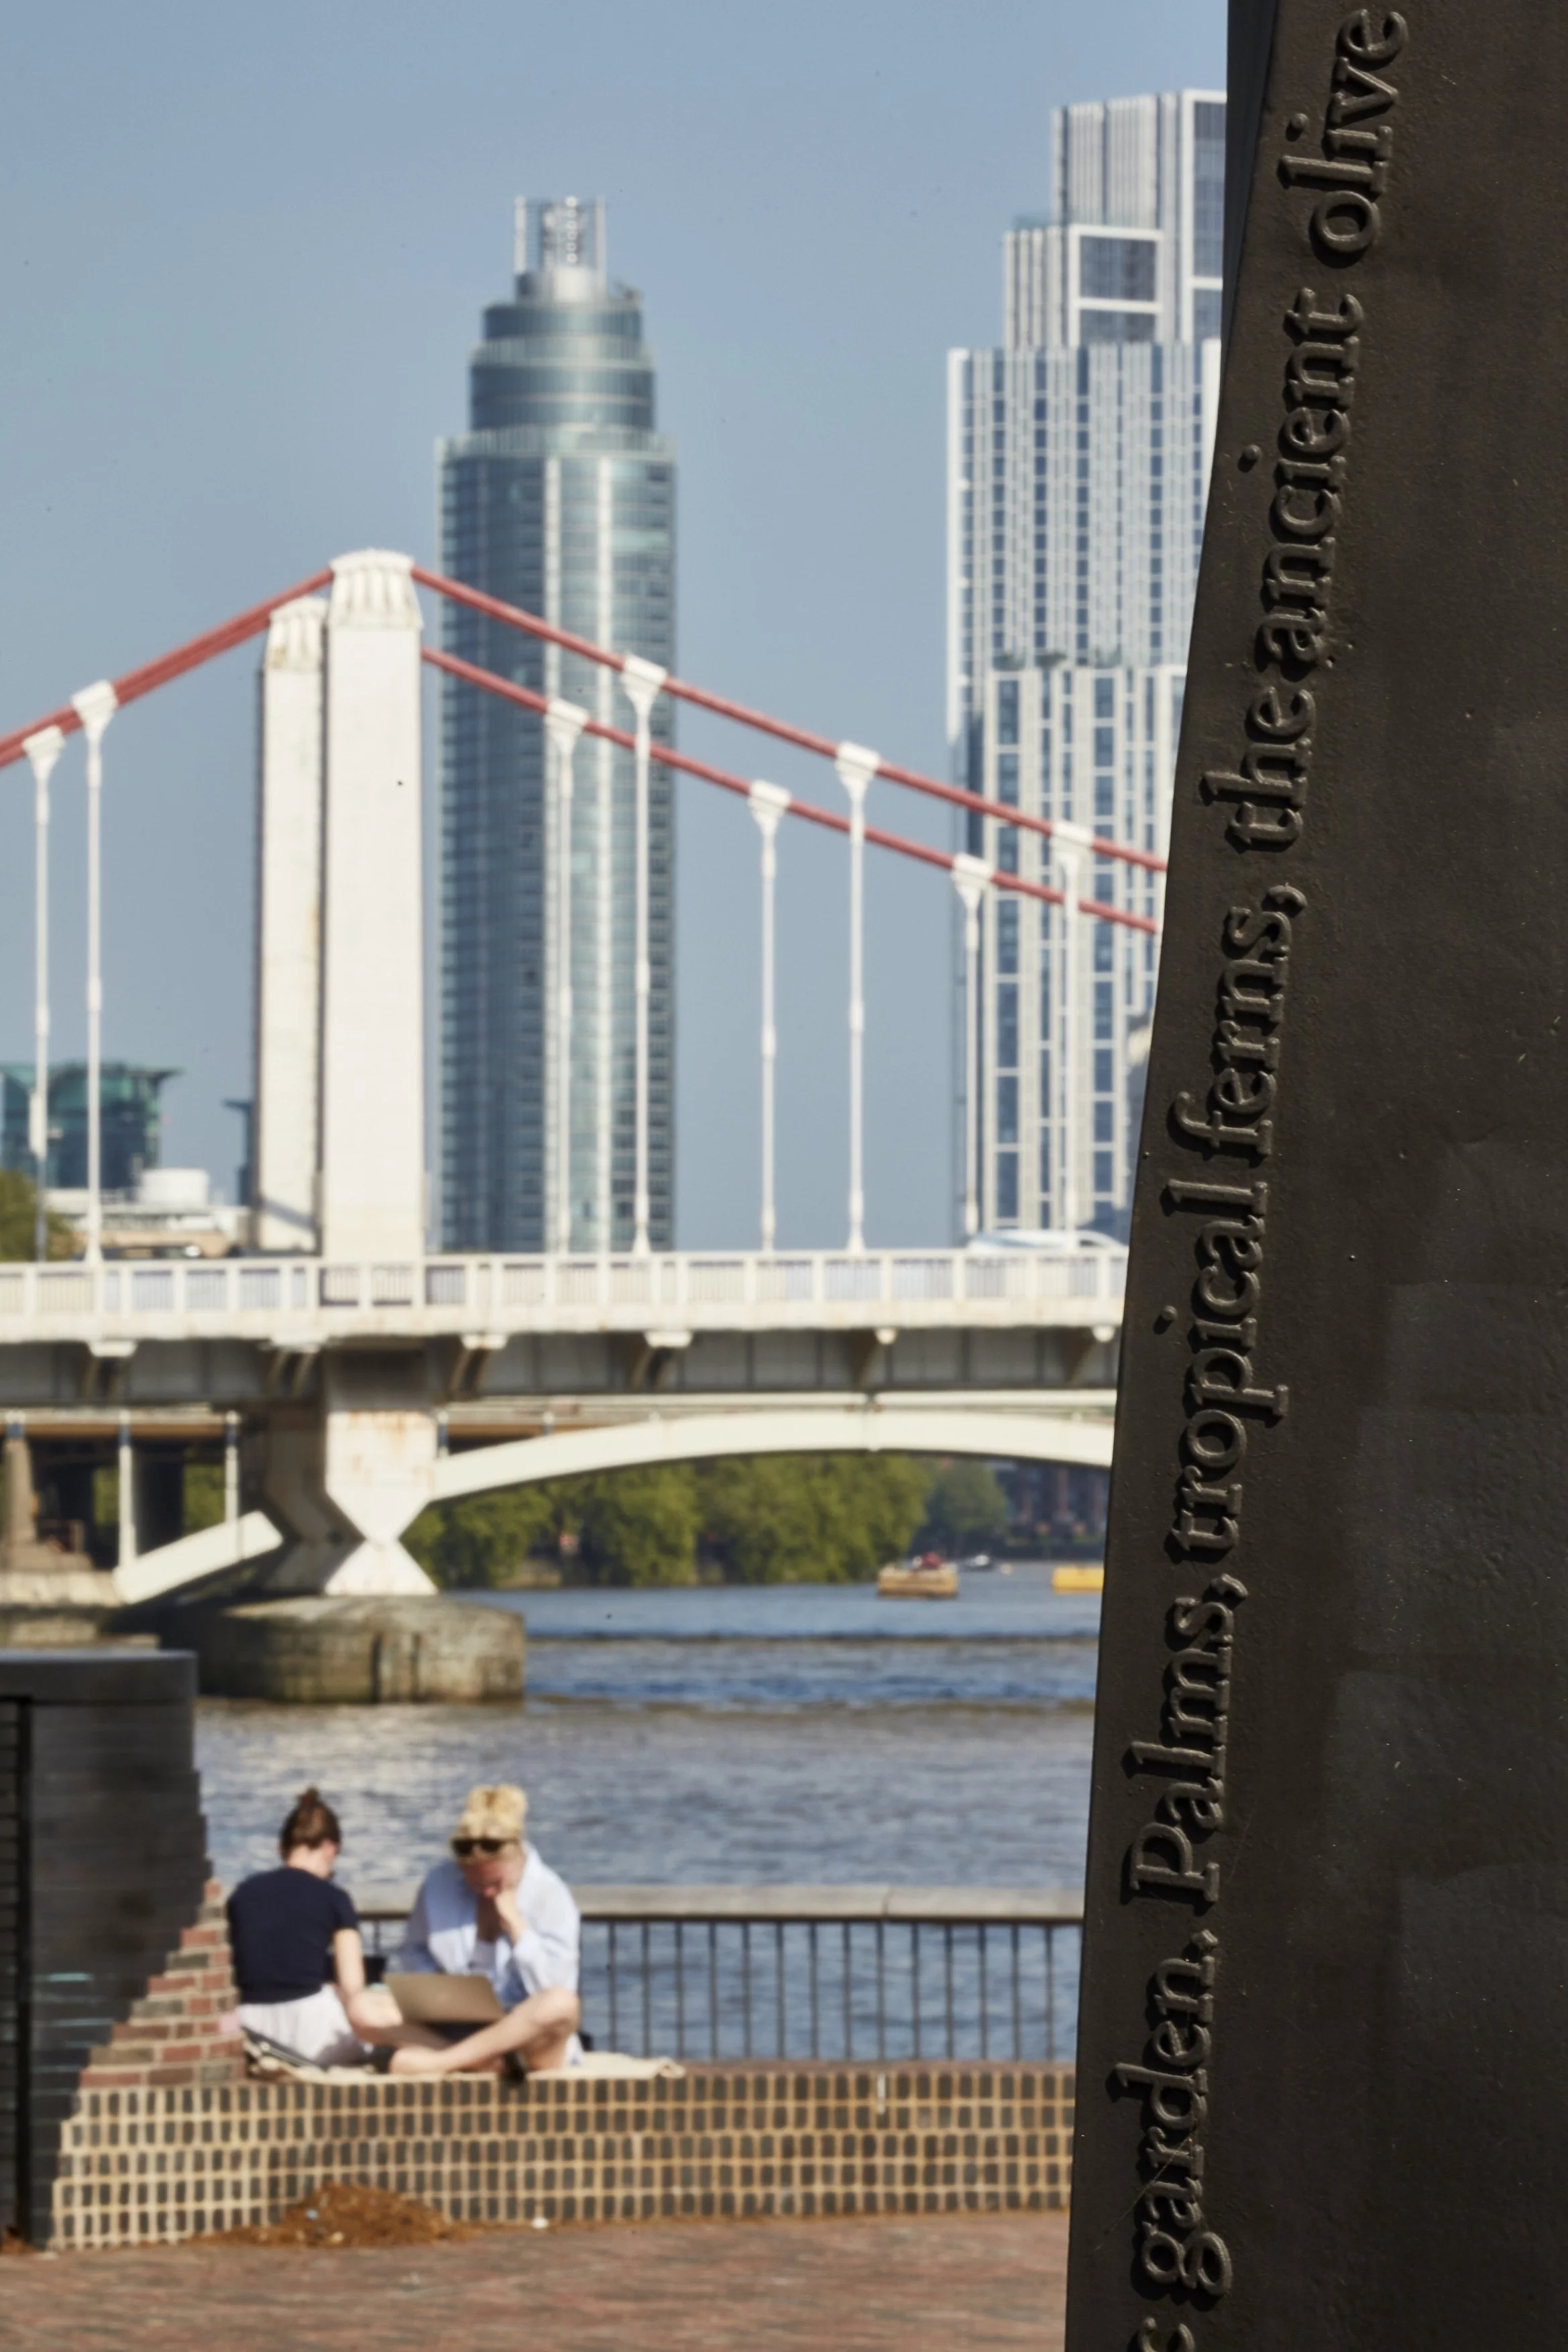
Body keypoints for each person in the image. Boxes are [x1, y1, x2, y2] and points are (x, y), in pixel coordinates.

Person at [227, 1787, 439, 2068]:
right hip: (310, 2036)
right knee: (378, 2002)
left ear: (283, 1849)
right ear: (330, 1849)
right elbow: (353, 1987)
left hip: (246, 2026)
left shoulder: (242, 1893)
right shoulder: (334, 1898)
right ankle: (456, 2052)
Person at [389, 1783, 581, 2077]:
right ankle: (482, 2060)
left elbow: (555, 1987)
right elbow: (414, 1950)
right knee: (366, 2006)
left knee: (561, 2004)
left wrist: (518, 1928)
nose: (487, 1893)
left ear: (518, 1854)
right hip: (454, 2024)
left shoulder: (551, 1894)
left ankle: (444, 2061)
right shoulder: (439, 1883)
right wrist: (436, 1990)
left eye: (495, 1882)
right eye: (475, 1883)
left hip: (524, 2033)